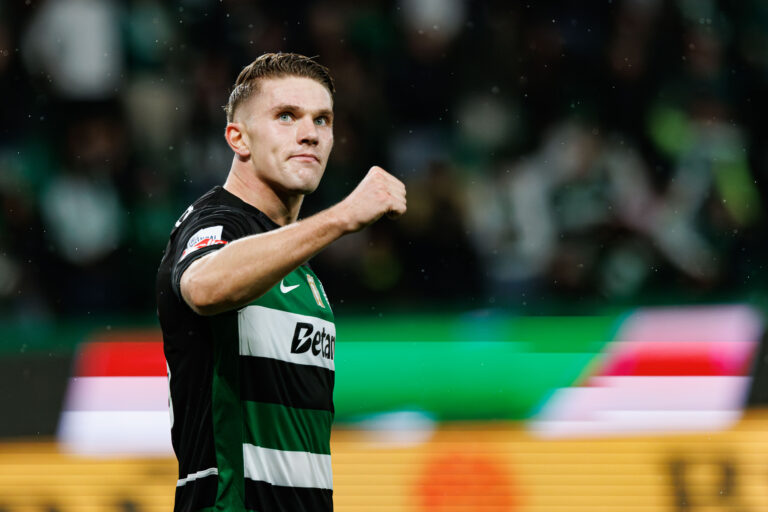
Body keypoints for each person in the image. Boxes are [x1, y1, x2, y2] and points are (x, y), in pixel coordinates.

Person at [156, 52, 406, 512]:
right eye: (286, 116)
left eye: (322, 119)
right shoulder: (218, 221)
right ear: (239, 137)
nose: (310, 133)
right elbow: (203, 287)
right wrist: (344, 216)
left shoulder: (294, 259)